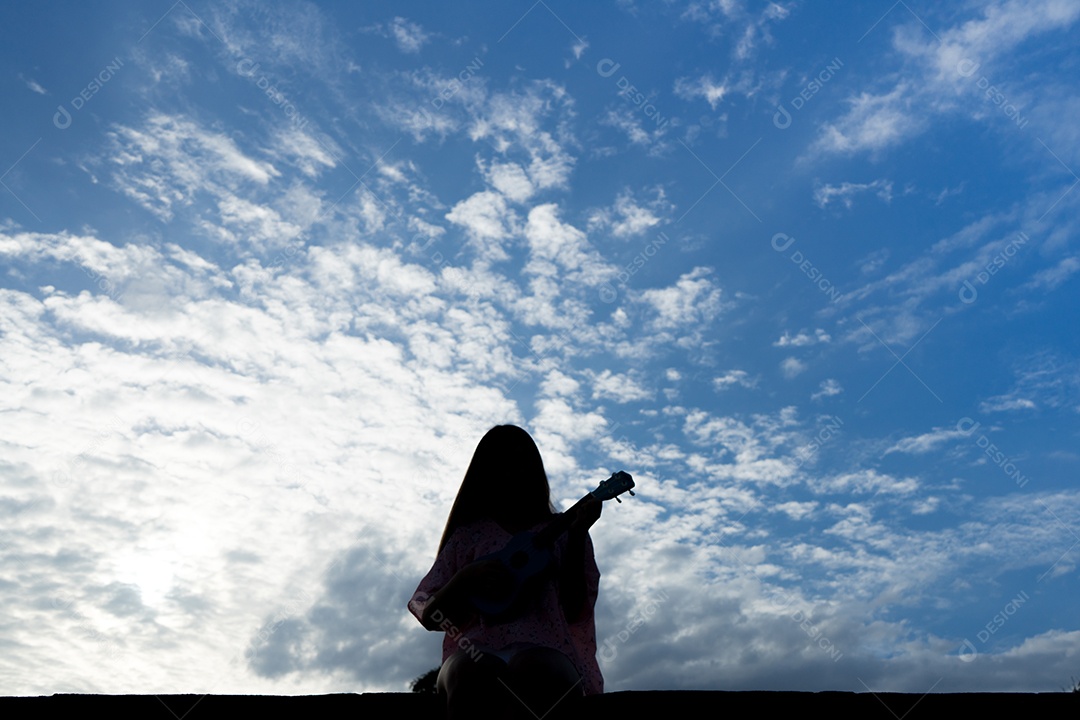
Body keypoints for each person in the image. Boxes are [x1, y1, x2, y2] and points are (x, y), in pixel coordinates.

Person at [408, 425, 603, 719]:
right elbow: (431, 615)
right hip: (473, 651)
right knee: (472, 671)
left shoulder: (565, 533)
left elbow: (576, 610)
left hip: (548, 649)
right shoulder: (468, 536)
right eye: (502, 465)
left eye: (521, 462)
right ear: (484, 475)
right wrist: (466, 578)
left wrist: (576, 536)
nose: (513, 473)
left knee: (535, 668)